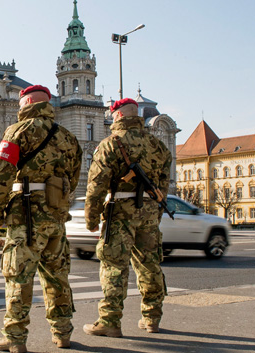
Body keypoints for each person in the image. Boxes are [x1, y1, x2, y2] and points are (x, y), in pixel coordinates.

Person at [0, 85, 82, 353]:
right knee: (57, 276)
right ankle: (63, 333)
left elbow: (1, 174)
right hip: (56, 215)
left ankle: (15, 338)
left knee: (19, 275)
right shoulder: (68, 137)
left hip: (25, 216)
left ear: (26, 103)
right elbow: (72, 179)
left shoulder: (17, 131)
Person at [83, 97, 172, 337]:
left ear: (118, 116)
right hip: (150, 213)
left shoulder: (111, 144)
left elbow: (96, 186)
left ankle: (110, 320)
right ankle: (152, 317)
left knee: (114, 266)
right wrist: (157, 212)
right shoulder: (158, 146)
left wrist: (91, 219)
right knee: (150, 264)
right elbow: (163, 186)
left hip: (120, 212)